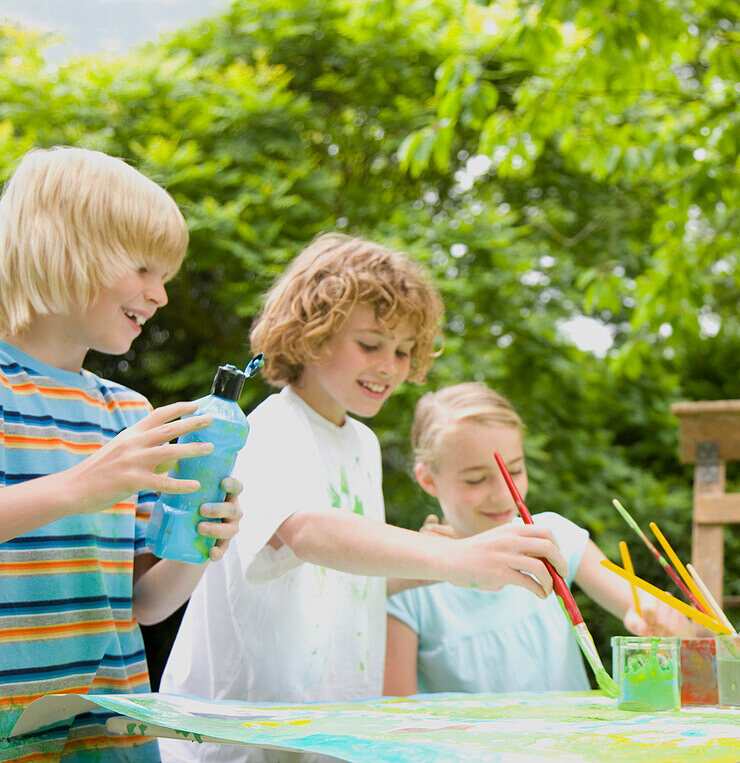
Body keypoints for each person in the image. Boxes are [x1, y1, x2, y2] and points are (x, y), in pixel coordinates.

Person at [160, 235, 566, 762]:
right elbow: (303, 533)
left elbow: (337, 576)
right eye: (371, 344)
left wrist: (428, 569)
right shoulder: (271, 426)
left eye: (402, 351)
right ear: (311, 334)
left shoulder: (362, 443)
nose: (390, 366)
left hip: (323, 730)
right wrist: (454, 556)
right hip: (239, 734)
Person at [0, 146, 243, 761]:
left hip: (111, 739)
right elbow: (76, 490)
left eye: (165, 276)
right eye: (142, 269)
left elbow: (146, 602)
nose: (159, 295)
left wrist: (201, 545)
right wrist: (80, 486)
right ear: (59, 245)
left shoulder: (127, 414)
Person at [384, 382, 689, 696]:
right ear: (428, 479)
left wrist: (658, 619)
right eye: (476, 479)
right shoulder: (408, 582)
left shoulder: (554, 537)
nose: (504, 494)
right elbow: (397, 718)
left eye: (514, 471)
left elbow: (656, 611)